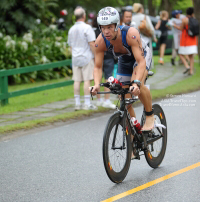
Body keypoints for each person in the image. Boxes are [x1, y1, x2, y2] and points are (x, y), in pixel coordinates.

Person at [91, 7, 154, 132]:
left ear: (117, 24)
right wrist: (96, 84)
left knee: (137, 85)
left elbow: (141, 61)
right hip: (124, 60)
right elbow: (98, 67)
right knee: (123, 97)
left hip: (141, 56)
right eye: (103, 27)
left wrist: (136, 83)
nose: (106, 31)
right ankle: (134, 134)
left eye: (109, 27)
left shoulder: (130, 33)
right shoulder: (100, 41)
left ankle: (150, 115)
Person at [67, 7, 97, 110]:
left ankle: (77, 103)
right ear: (84, 16)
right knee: (87, 80)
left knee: (77, 80)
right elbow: (92, 44)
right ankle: (87, 103)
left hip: (75, 58)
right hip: (86, 57)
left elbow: (70, 46)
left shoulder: (71, 29)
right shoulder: (87, 28)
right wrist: (95, 56)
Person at [92, 17, 116, 109]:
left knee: (98, 78)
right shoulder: (108, 31)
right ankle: (107, 99)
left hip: (99, 57)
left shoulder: (95, 32)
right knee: (108, 77)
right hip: (108, 56)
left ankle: (99, 100)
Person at [173, 7, 198, 75]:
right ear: (192, 13)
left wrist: (175, 25)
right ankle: (191, 71)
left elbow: (181, 28)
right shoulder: (194, 19)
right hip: (193, 40)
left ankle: (187, 66)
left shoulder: (184, 20)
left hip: (185, 40)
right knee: (191, 56)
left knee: (181, 54)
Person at [131, 3, 155, 68]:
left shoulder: (132, 18)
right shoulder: (145, 17)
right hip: (145, 38)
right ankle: (147, 66)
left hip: (136, 39)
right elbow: (151, 28)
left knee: (138, 53)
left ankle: (138, 66)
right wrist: (154, 37)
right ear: (141, 9)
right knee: (147, 53)